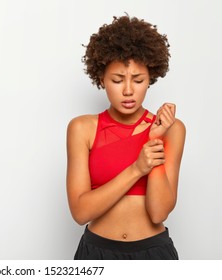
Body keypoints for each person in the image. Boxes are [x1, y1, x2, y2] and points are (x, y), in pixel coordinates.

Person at [66, 15, 186, 260]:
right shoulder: (82, 128)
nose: (129, 90)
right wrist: (137, 168)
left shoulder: (171, 129)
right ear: (101, 79)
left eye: (138, 80)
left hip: (154, 253)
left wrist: (155, 140)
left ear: (150, 79)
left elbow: (158, 213)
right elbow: (80, 212)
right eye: (118, 80)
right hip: (96, 253)